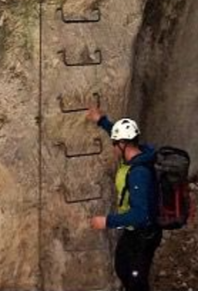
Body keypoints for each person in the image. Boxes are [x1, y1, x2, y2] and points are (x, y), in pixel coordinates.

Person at [86, 107, 161, 291]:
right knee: (122, 266)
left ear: (122, 144)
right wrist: (101, 120)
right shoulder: (137, 155)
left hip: (143, 234)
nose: (113, 146)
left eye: (114, 143)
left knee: (135, 280)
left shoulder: (138, 174)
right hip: (133, 231)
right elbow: (118, 132)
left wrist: (107, 221)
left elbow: (139, 214)